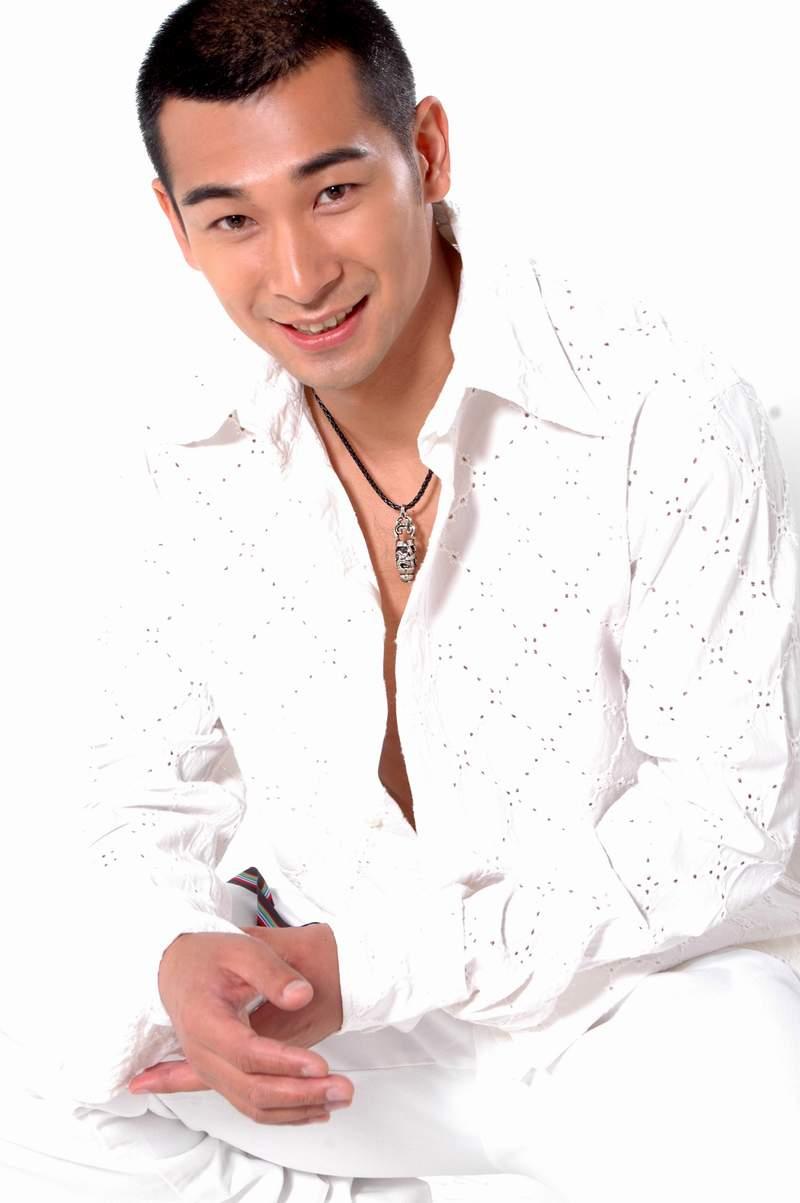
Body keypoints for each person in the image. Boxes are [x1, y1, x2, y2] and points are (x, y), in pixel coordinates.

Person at [2, 1, 800, 1201]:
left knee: (761, 1110)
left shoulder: (659, 407)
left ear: (424, 151)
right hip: (353, 1034)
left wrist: (372, 964)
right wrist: (178, 955)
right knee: (36, 1053)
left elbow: (726, 816)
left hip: (633, 1014)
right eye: (233, 219)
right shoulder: (182, 447)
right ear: (176, 226)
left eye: (332, 192)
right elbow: (140, 800)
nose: (298, 276)